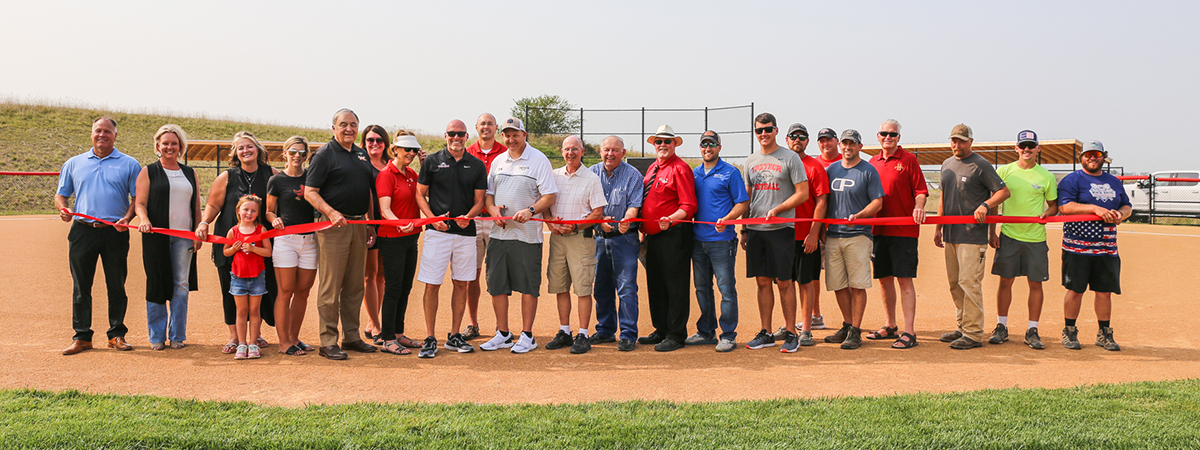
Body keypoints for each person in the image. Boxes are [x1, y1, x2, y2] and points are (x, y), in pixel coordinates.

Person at [56, 116, 142, 355]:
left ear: (115, 136)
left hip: (115, 231)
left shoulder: (129, 164)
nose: (102, 134)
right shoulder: (74, 163)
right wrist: (63, 209)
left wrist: (127, 218)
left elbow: (137, 199)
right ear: (92, 133)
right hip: (83, 231)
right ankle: (82, 337)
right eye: (98, 131)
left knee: (116, 284)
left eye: (107, 131)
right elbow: (61, 195)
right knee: (81, 286)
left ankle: (116, 335)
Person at [303, 108, 378, 360]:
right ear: (333, 128)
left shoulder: (361, 154)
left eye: (353, 124)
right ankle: (328, 341)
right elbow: (310, 191)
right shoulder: (324, 155)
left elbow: (367, 191)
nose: (349, 129)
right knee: (330, 286)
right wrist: (331, 212)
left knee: (355, 285)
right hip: (332, 226)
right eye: (343, 124)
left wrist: (369, 222)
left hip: (358, 225)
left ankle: (352, 336)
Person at [196, 131, 279, 354]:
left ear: (258, 149)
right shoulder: (226, 177)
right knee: (230, 290)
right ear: (235, 153)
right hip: (230, 243)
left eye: (249, 146)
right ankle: (235, 336)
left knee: (261, 289)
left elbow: (281, 200)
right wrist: (204, 223)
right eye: (240, 148)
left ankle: (256, 335)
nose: (245, 151)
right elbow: (213, 206)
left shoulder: (271, 174)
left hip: (260, 244)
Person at [481, 117, 558, 354]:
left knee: (527, 286)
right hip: (499, 234)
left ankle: (527, 335)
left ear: (524, 135)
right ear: (502, 136)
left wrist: (531, 210)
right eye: (507, 135)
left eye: (515, 134)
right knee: (497, 285)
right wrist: (493, 210)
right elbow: (488, 194)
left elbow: (549, 196)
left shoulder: (538, 160)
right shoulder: (498, 161)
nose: (511, 139)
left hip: (527, 237)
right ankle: (503, 334)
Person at [414, 119, 487, 358]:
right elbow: (420, 194)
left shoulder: (476, 165)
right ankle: (430, 337)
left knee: (462, 283)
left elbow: (479, 202)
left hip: (465, 233)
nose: (456, 138)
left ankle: (454, 335)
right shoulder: (433, 161)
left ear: (467, 137)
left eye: (461, 134)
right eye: (452, 134)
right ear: (445, 136)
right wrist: (432, 218)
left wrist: (470, 216)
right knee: (432, 284)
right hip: (438, 233)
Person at [934, 124, 1010, 350]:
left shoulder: (981, 165)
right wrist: (938, 228)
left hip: (972, 236)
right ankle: (963, 326)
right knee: (954, 284)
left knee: (970, 283)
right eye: (953, 141)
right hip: (950, 234)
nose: (956, 145)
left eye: (961, 141)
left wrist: (985, 206)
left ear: (970, 142)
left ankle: (974, 333)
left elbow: (1002, 192)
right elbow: (943, 197)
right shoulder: (947, 165)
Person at [741, 113, 809, 353]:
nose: (763, 134)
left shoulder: (790, 157)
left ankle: (791, 332)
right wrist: (743, 228)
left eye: (768, 129)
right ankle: (766, 332)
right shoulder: (750, 161)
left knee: (785, 282)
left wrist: (779, 209)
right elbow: (747, 198)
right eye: (759, 130)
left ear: (776, 130)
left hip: (781, 229)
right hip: (756, 230)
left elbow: (803, 193)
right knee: (762, 282)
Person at [1056, 141, 1130, 351]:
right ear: (1081, 158)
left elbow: (1126, 205)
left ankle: (1104, 333)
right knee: (1075, 289)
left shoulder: (1114, 182)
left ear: (1103, 157)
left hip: (1106, 246)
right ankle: (1070, 330)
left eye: (1096, 154)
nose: (1092, 158)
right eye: (1088, 154)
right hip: (1077, 246)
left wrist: (1121, 214)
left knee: (1104, 291)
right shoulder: (1072, 180)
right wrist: (1095, 209)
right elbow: (1064, 206)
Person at [987, 130, 1057, 349]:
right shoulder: (1004, 171)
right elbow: (994, 202)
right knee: (1005, 281)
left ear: (1038, 149)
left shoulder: (1046, 176)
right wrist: (992, 232)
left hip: (1035, 238)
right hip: (1009, 235)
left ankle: (1032, 329)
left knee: (1035, 284)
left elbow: (1053, 204)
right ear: (1016, 148)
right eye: (1023, 146)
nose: (1027, 149)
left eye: (1031, 146)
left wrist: (1049, 213)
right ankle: (1001, 326)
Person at [134, 124, 201, 351]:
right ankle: (156, 337)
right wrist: (144, 219)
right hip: (156, 236)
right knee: (156, 284)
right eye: (165, 143)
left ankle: (177, 335)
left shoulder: (190, 173)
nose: (169, 147)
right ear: (158, 146)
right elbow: (140, 203)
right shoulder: (148, 171)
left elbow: (196, 207)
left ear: (180, 146)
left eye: (174, 143)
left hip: (184, 238)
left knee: (181, 286)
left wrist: (197, 231)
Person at [866, 119, 929, 349]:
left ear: (898, 138)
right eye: (884, 133)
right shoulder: (872, 162)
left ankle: (909, 331)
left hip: (904, 231)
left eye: (892, 134)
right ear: (878, 136)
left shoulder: (909, 160)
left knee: (904, 279)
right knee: (884, 280)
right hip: (878, 231)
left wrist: (919, 206)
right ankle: (890, 325)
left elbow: (921, 191)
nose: (888, 137)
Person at [637, 124, 697, 352]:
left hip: (673, 235)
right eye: (659, 141)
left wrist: (671, 219)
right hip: (652, 237)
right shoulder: (653, 168)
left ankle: (676, 333)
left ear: (674, 144)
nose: (663, 145)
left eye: (667, 141)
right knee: (656, 285)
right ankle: (661, 328)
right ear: (654, 144)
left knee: (675, 286)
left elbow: (689, 205)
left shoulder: (680, 168)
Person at [822, 130, 884, 350]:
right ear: (840, 145)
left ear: (860, 146)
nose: (847, 147)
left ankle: (856, 330)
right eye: (844, 143)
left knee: (857, 285)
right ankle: (848, 325)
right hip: (833, 235)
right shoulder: (832, 169)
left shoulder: (868, 171)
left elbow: (878, 201)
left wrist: (861, 215)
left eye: (852, 143)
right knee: (838, 285)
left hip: (858, 235)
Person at [544, 136, 606, 354]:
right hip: (558, 239)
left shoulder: (591, 178)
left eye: (575, 149)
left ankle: (583, 334)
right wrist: (551, 223)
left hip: (581, 239)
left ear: (582, 152)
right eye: (567, 149)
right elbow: (546, 203)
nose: (570, 153)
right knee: (560, 286)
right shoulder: (553, 176)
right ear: (562, 151)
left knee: (582, 288)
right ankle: (564, 331)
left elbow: (598, 213)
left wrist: (576, 226)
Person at [689, 130, 748, 352]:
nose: (707, 148)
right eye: (704, 144)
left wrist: (729, 218)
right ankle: (706, 331)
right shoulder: (694, 173)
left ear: (719, 147)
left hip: (722, 241)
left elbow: (742, 203)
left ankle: (728, 334)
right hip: (697, 240)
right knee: (702, 288)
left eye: (712, 144)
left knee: (726, 289)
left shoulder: (730, 173)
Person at [772, 123, 829, 347]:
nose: (798, 140)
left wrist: (815, 232)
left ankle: (806, 329)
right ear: (786, 140)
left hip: (805, 236)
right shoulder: (779, 164)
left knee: (806, 282)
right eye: (793, 136)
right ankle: (789, 327)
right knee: (784, 283)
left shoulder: (815, 166)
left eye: (802, 137)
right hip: (781, 235)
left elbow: (822, 200)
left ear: (807, 141)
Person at [589, 136, 643, 352]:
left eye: (615, 150)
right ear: (600, 152)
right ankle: (605, 330)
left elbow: (634, 205)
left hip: (625, 239)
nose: (610, 154)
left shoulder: (633, 175)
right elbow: (587, 202)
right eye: (606, 150)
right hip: (599, 239)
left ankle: (628, 334)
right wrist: (599, 220)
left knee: (627, 288)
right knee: (601, 287)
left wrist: (627, 219)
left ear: (623, 153)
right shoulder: (591, 173)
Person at [265, 136, 318, 355]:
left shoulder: (311, 177)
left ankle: (294, 337)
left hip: (310, 240)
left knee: (303, 291)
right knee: (285, 291)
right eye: (293, 152)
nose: (297, 156)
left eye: (302, 153)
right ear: (285, 153)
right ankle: (283, 341)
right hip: (286, 240)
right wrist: (273, 219)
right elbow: (269, 210)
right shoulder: (276, 180)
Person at [375, 133, 426, 356]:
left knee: (405, 287)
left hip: (410, 237)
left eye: (414, 150)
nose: (411, 154)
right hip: (392, 238)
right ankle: (387, 337)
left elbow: (422, 198)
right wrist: (398, 224)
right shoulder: (386, 175)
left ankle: (397, 332)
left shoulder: (413, 174)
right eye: (407, 150)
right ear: (395, 149)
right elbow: (385, 209)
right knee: (393, 288)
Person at [463, 113, 507, 341]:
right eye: (483, 124)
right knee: (472, 274)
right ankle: (473, 323)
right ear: (476, 128)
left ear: (496, 128)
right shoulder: (467, 153)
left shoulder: (506, 152)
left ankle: (502, 328)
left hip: (497, 221)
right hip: (473, 220)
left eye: (490, 123)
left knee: (496, 273)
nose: (486, 127)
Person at [222, 195, 272, 360]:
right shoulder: (233, 231)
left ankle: (253, 344)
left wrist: (252, 248)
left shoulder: (261, 230)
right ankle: (242, 344)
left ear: (258, 213)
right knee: (242, 311)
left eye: (253, 210)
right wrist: (234, 249)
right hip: (238, 277)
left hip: (257, 276)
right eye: (246, 209)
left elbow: (268, 252)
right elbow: (225, 251)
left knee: (254, 311)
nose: (249, 213)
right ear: (238, 211)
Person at [360, 124, 390, 344]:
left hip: (390, 224)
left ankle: (373, 321)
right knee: (370, 274)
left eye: (379, 140)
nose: (375, 144)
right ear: (364, 142)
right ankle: (375, 323)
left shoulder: (391, 165)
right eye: (370, 140)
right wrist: (369, 222)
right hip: (369, 224)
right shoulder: (360, 165)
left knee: (382, 275)